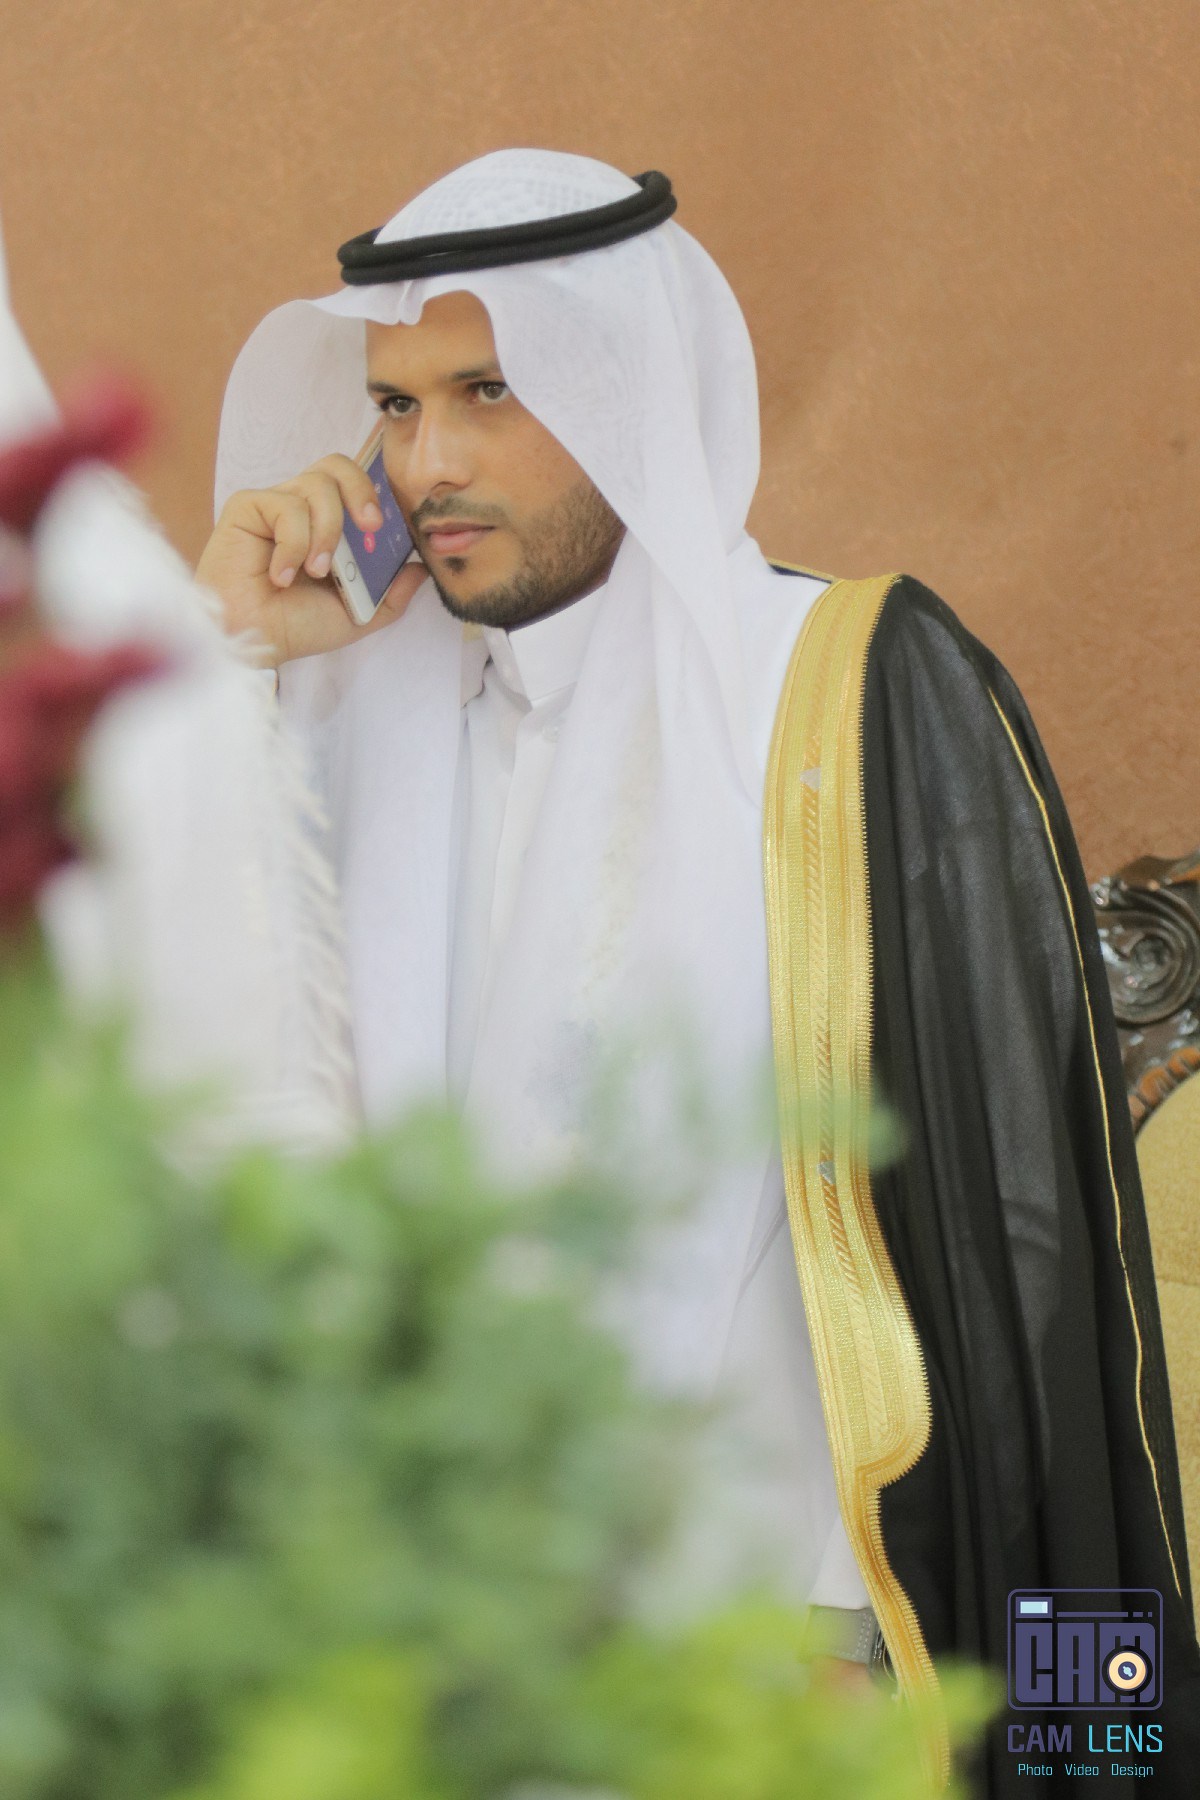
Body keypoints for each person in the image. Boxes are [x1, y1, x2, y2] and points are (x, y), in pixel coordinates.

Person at [198, 150, 1198, 1795]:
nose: (428, 462)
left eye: (491, 391)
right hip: (401, 1651)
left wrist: (1004, 1705)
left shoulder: (838, 690)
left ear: (628, 385)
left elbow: (1011, 1254)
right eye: (393, 408)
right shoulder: (340, 719)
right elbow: (167, 1127)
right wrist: (229, 668)